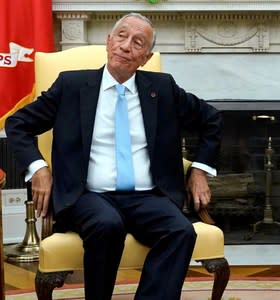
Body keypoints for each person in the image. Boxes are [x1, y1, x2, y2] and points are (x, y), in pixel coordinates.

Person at [6, 13, 222, 300]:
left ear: (145, 57)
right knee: (107, 224)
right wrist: (39, 169)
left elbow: (212, 119)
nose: (126, 45)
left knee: (181, 231)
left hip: (148, 196)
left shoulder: (163, 88)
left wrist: (198, 170)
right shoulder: (71, 86)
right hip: (89, 195)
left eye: (138, 42)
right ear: (109, 41)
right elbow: (18, 124)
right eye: (121, 36)